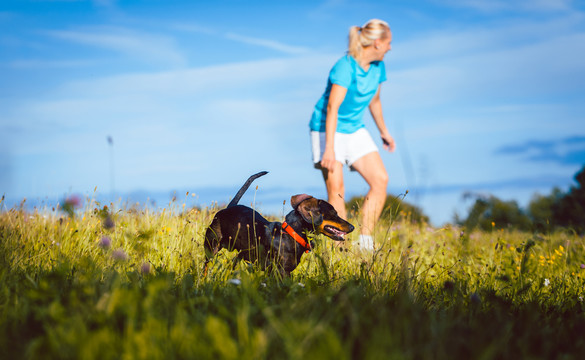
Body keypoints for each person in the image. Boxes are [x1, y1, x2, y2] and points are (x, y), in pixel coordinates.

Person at [309, 19, 396, 251]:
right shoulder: (345, 66)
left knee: (380, 180)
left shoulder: (378, 67)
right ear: (377, 43)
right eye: (388, 43)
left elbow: (374, 101)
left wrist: (384, 131)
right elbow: (332, 108)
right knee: (337, 188)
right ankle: (341, 247)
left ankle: (365, 243)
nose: (390, 47)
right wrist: (330, 148)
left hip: (355, 128)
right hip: (327, 127)